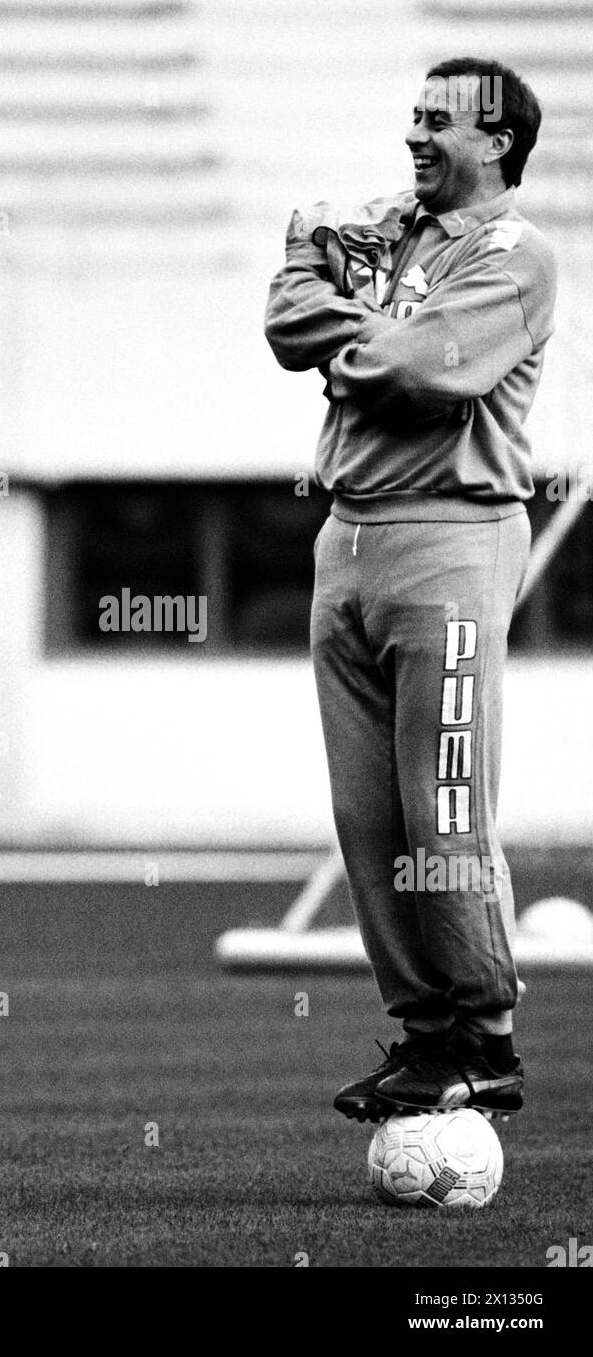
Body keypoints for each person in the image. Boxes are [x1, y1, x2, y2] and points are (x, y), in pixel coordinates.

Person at [265, 59, 557, 1121]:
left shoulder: (516, 258)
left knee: (442, 807)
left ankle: (484, 1037)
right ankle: (424, 1030)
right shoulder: (390, 226)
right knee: (368, 814)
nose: (414, 136)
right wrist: (355, 334)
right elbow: (287, 316)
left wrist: (350, 335)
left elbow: (427, 372)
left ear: (497, 143)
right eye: (414, 115)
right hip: (343, 538)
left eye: (439, 122)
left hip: (449, 534)